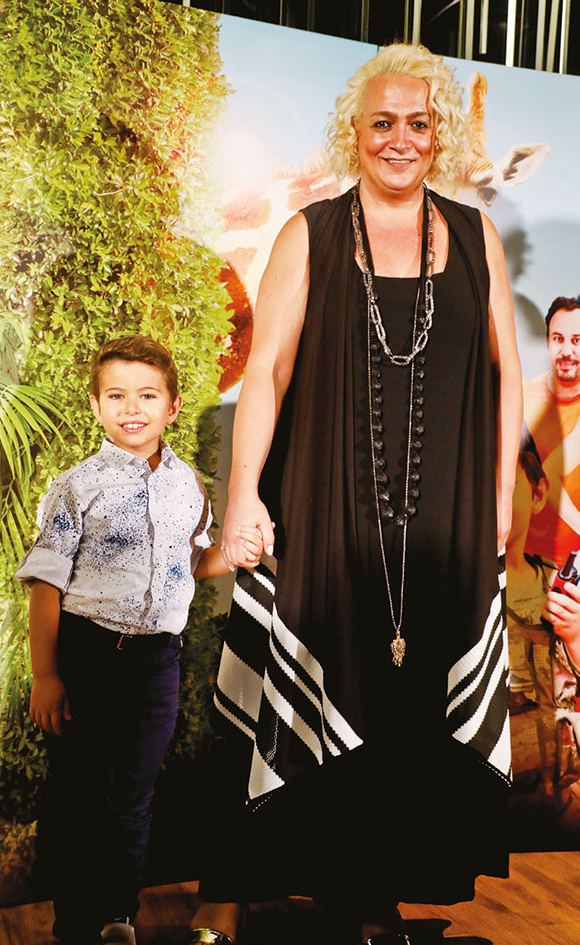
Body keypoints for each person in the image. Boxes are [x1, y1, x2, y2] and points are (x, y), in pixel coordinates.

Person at [191, 43, 522, 945]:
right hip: (323, 506)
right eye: (382, 122)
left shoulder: (475, 236)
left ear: (439, 134)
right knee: (280, 683)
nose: (399, 139)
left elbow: (506, 376)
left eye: (418, 123)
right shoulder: (309, 234)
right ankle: (223, 895)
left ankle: (371, 902)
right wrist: (244, 494)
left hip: (442, 520)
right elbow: (266, 371)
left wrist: (500, 496)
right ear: (355, 131)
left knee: (403, 718)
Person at [16, 335, 263, 945]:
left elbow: (192, 564)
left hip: (157, 663)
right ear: (96, 405)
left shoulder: (188, 486)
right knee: (82, 795)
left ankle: (117, 914)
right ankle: (74, 923)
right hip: (88, 655)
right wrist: (47, 675)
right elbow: (45, 585)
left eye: (147, 396)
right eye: (117, 395)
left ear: (172, 406)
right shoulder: (77, 487)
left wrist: (234, 554)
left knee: (134, 794)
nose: (133, 408)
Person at [506, 427, 580, 831]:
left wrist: (575, 635)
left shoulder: (559, 585)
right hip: (487, 805)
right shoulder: (456, 589)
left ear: (537, 493)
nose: (494, 501)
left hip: (559, 806)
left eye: (507, 484)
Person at [524, 295, 580, 568]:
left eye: (577, 340)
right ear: (547, 342)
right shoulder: (521, 399)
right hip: (525, 569)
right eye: (558, 339)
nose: (567, 351)